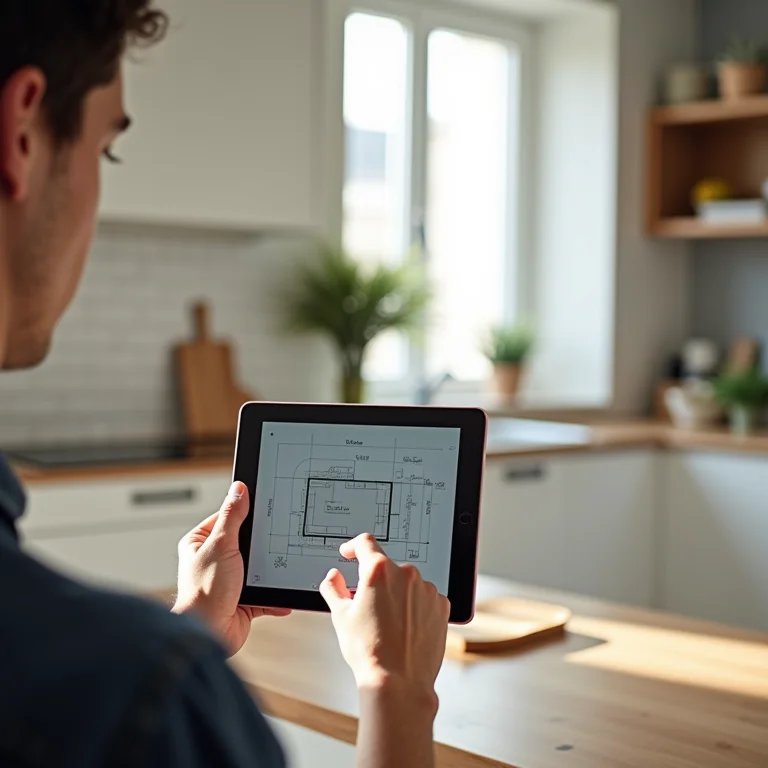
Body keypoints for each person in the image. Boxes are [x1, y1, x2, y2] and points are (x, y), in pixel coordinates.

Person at [0, 2, 450, 766]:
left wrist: (193, 624)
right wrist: (395, 690)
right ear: (22, 134)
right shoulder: (144, 695)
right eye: (106, 152)